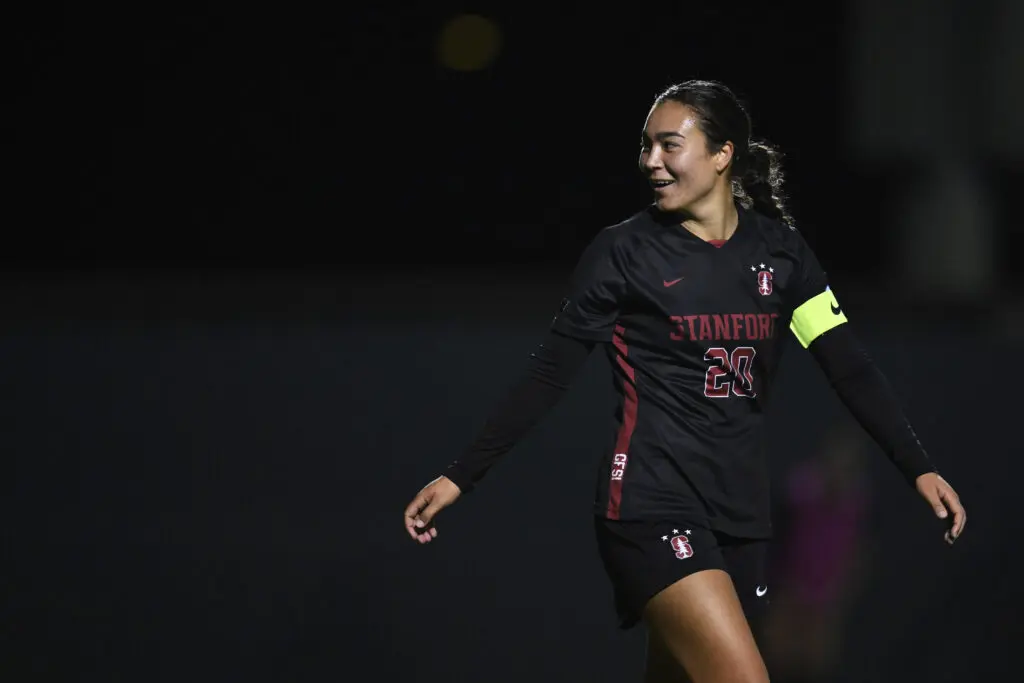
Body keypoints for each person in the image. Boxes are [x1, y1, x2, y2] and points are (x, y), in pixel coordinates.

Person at [402, 79, 966, 683]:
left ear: (723, 154)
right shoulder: (623, 253)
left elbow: (848, 365)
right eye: (646, 146)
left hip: (741, 515)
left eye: (669, 145)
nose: (651, 161)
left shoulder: (782, 254)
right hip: (649, 503)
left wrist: (917, 464)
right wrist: (462, 474)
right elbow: (548, 374)